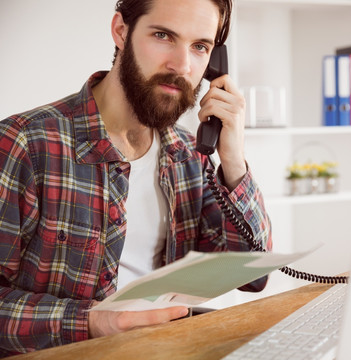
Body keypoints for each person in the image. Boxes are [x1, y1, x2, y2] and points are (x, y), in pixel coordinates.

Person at [0, 0, 272, 355]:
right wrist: (92, 322)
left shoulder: (189, 154)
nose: (182, 66)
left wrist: (233, 160)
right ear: (120, 31)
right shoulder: (25, 144)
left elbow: (252, 275)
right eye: (163, 35)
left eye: (200, 46)